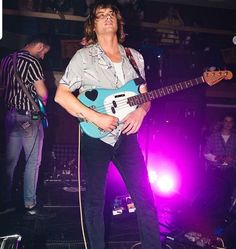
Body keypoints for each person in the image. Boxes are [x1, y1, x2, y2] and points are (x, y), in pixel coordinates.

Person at [54, 1, 162, 249]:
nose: (107, 18)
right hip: (96, 137)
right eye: (100, 15)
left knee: (145, 197)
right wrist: (96, 117)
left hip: (126, 137)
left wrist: (140, 114)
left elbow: (145, 97)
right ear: (93, 25)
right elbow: (62, 95)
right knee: (95, 202)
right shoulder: (84, 57)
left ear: (118, 20)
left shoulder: (135, 57)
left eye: (111, 14)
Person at [0, 35, 50, 217]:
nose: (43, 56)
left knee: (9, 163)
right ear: (38, 45)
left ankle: (4, 202)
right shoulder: (32, 62)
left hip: (9, 115)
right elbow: (43, 93)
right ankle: (30, 203)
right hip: (28, 118)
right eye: (44, 51)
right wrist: (42, 100)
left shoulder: (6, 60)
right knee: (32, 162)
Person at [203, 113, 236, 217]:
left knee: (229, 194)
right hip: (216, 170)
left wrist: (233, 158)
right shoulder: (213, 137)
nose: (228, 124)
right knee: (215, 194)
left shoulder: (235, 137)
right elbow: (206, 153)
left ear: (233, 123)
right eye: (226, 121)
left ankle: (225, 215)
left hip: (230, 170)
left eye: (230, 121)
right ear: (223, 122)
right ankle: (212, 216)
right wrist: (218, 158)